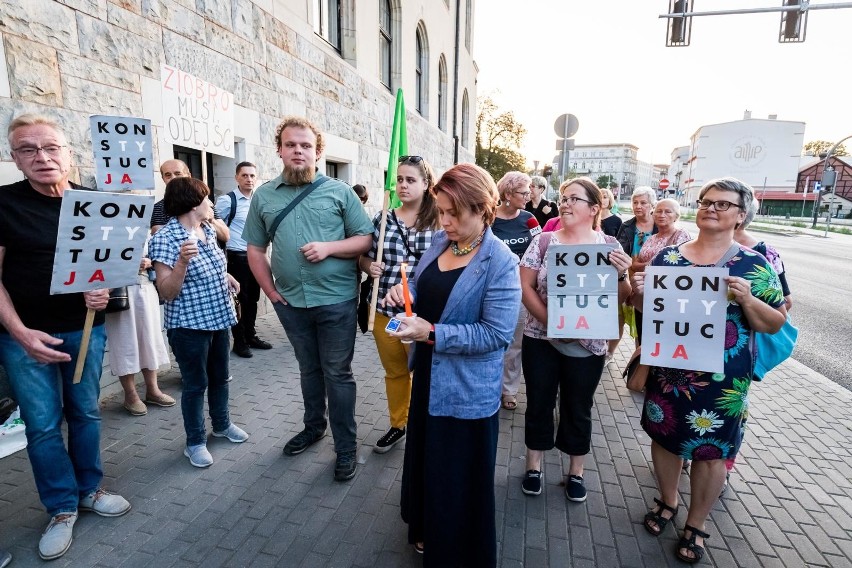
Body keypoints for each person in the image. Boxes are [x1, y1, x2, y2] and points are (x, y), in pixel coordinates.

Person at [633, 178, 786, 565]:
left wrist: (748, 299)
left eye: (722, 204)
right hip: (670, 374)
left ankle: (696, 522)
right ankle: (668, 500)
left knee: (712, 452)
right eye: (706, 201)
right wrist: (639, 291)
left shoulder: (755, 264)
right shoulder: (669, 258)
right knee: (665, 438)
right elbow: (652, 314)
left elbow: (774, 323)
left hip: (722, 382)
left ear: (740, 215)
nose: (711, 208)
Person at [0, 114, 131, 561]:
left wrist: (103, 288)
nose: (42, 157)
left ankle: (90, 489)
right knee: (41, 426)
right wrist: (18, 333)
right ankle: (60, 508)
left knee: (86, 413)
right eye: (29, 150)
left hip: (84, 330)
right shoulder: (3, 205)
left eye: (51, 147)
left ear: (68, 154)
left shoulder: (94, 203)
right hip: (25, 337)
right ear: (15, 159)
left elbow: (112, 264)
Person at [384, 162, 521, 565]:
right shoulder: (441, 243)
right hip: (429, 374)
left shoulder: (499, 263)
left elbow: (495, 335)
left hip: (465, 389)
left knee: (455, 472)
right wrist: (403, 289)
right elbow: (428, 287)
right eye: (440, 211)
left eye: (453, 214)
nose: (443, 221)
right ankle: (426, 526)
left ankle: (452, 546)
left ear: (483, 210)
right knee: (428, 457)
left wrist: (432, 333)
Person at [242, 116, 373, 482]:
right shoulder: (265, 196)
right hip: (291, 304)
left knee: (338, 374)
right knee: (308, 369)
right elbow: (255, 249)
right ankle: (314, 427)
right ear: (280, 149)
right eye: (290, 145)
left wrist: (330, 247)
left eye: (305, 145)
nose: (298, 151)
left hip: (337, 301)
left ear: (317, 151)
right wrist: (270, 292)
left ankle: (345, 447)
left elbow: (364, 239)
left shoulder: (339, 192)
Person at [518, 177, 632, 502]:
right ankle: (534, 467)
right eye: (562, 198)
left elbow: (621, 298)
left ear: (594, 208)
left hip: (588, 345)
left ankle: (575, 471)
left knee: (578, 407)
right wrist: (552, 322)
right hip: (540, 339)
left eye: (573, 199)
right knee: (539, 403)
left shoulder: (610, 246)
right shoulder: (543, 241)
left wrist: (623, 275)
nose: (564, 204)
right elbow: (525, 286)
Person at [149, 177, 249, 468]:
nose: (211, 204)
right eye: (206, 199)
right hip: (189, 326)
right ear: (194, 204)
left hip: (218, 318)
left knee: (221, 378)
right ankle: (194, 442)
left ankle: (222, 425)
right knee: (195, 385)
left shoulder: (205, 228)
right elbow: (166, 291)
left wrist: (226, 276)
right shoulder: (165, 238)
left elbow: (214, 263)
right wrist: (181, 263)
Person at [359, 156, 439, 453]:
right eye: (400, 180)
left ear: (426, 184)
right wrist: (369, 266)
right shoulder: (383, 217)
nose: (403, 185)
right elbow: (364, 255)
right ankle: (399, 424)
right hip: (383, 309)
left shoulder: (440, 220)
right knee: (395, 371)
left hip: (424, 313)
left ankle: (427, 424)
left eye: (410, 180)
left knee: (427, 372)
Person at [105, 236, 174, 416]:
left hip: (145, 287)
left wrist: (150, 262)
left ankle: (153, 390)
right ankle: (131, 395)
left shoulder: (144, 227)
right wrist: (128, 265)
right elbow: (99, 258)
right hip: (119, 291)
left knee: (149, 339)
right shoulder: (107, 228)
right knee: (124, 341)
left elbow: (156, 255)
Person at [215, 161, 273, 358]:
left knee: (254, 299)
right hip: (236, 257)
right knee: (239, 300)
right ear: (237, 177)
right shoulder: (227, 201)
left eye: (252, 176)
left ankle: (251, 336)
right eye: (244, 175)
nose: (249, 179)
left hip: (255, 256)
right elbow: (216, 228)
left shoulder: (259, 200)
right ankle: (239, 342)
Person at [493, 171, 540, 411]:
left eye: (529, 190)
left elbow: (542, 249)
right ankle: (490, 386)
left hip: (522, 290)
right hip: (494, 289)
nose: (529, 195)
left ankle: (508, 391)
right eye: (523, 192)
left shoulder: (530, 219)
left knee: (515, 343)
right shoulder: (489, 218)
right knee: (492, 340)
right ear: (508, 194)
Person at [631, 198, 692, 345]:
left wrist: (645, 265)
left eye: (667, 211)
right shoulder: (651, 238)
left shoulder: (681, 236)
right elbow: (634, 264)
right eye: (658, 211)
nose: (661, 214)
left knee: (658, 342)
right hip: (644, 295)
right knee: (642, 338)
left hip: (666, 300)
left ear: (676, 216)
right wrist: (654, 264)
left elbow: (679, 269)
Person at [609, 186, 658, 359]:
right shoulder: (627, 226)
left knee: (644, 321)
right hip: (627, 278)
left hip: (651, 281)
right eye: (635, 202)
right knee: (619, 317)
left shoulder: (661, 226)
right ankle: (610, 352)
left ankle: (641, 359)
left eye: (643, 203)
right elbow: (619, 252)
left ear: (652, 205)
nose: (638, 206)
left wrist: (642, 265)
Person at [150, 159, 230, 243]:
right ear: (163, 179)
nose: (173, 178)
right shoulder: (158, 208)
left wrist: (211, 220)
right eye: (168, 175)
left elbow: (226, 236)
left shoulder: (202, 201)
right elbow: (162, 240)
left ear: (188, 176)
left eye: (178, 174)